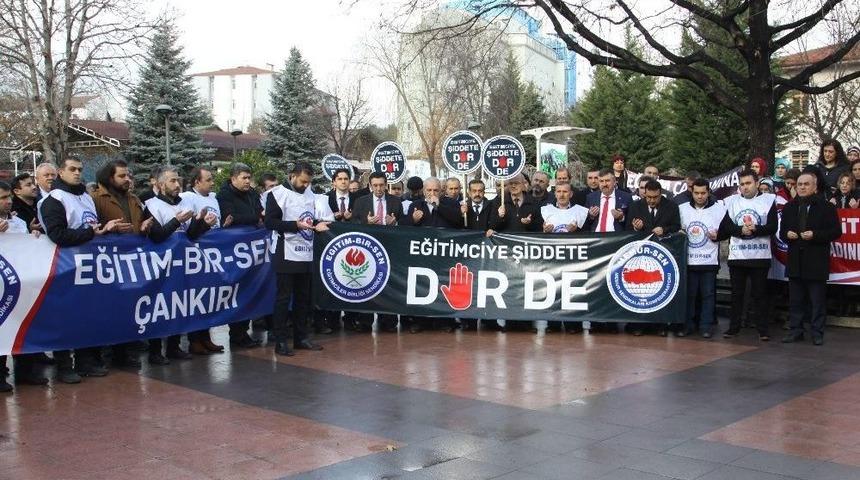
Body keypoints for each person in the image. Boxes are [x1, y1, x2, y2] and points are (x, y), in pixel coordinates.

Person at [40, 157, 126, 383]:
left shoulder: (87, 198)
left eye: (80, 169)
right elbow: (57, 234)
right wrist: (92, 234)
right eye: (72, 169)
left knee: (88, 315)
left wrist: (106, 230)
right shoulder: (54, 199)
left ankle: (86, 360)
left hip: (89, 267)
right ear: (61, 172)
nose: (77, 173)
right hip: (63, 268)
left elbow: (93, 227)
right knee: (65, 319)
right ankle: (64, 365)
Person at [143, 166, 217, 364]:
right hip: (162, 266)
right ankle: (155, 350)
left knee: (179, 306)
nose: (177, 185)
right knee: (160, 308)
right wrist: (176, 221)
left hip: (183, 265)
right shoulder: (151, 205)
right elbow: (157, 236)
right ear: (160, 184)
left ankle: (174, 346)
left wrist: (203, 224)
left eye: (178, 180)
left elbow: (191, 234)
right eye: (172, 181)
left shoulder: (184, 203)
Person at [265, 162, 328, 356]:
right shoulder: (277, 194)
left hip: (306, 251)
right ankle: (281, 341)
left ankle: (301, 337)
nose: (305, 186)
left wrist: (318, 224)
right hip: (286, 251)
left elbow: (310, 218)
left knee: (303, 298)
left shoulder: (310, 194)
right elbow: (270, 222)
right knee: (283, 298)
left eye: (308, 182)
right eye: (302, 181)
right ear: (292, 175)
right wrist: (295, 225)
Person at [91, 160, 149, 368]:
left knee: (128, 307)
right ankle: (110, 353)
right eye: (122, 176)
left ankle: (125, 352)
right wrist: (110, 230)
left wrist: (144, 227)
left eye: (129, 176)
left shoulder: (134, 199)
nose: (128, 180)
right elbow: (94, 228)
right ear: (110, 178)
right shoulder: (96, 198)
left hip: (131, 261)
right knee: (110, 309)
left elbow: (141, 223)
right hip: (109, 262)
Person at [780, 172, 842, 346]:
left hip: (816, 261)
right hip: (795, 261)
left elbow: (836, 232)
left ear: (815, 187)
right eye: (799, 184)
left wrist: (815, 235)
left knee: (817, 301)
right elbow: (782, 232)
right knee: (795, 300)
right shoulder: (789, 207)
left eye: (806, 184)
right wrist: (787, 234)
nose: (802, 187)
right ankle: (796, 330)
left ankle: (817, 332)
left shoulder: (826, 207)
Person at [0, 181, 48, 392]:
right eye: (2, 198)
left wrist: (32, 236)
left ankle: (26, 371)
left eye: (9, 197)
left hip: (21, 284)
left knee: (24, 326)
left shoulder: (18, 222)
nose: (8, 201)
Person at [718, 168, 777, 341]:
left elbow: (773, 226)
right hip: (738, 257)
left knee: (760, 294)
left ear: (757, 183)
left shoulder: (768, 200)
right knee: (737, 294)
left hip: (760, 256)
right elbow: (725, 228)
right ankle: (733, 327)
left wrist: (756, 229)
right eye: (742, 184)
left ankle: (763, 329)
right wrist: (740, 230)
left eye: (748, 183)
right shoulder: (732, 202)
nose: (745, 187)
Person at [179, 166, 229, 355]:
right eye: (208, 179)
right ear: (196, 182)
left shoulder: (213, 198)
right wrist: (201, 224)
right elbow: (188, 228)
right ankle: (194, 339)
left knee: (208, 299)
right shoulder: (188, 198)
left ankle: (206, 337)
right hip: (195, 256)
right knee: (195, 299)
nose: (212, 182)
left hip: (212, 256)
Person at [626, 179, 681, 336]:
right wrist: (636, 227)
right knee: (640, 290)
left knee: (659, 289)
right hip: (640, 255)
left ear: (660, 194)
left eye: (655, 197)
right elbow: (627, 229)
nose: (651, 200)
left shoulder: (671, 206)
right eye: (648, 197)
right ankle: (638, 324)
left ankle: (660, 325)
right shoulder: (636, 206)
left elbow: (676, 226)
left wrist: (664, 229)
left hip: (662, 255)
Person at [217, 163, 264, 349]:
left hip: (252, 249)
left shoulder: (252, 193)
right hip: (235, 250)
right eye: (244, 178)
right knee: (237, 291)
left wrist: (258, 217)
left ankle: (243, 331)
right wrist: (255, 219)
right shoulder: (224, 195)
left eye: (249, 177)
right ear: (233, 178)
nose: (248, 181)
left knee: (249, 290)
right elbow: (231, 217)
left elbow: (260, 211)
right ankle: (236, 334)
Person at [351, 172, 405, 332]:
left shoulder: (395, 201)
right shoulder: (361, 202)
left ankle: (388, 321)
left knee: (389, 285)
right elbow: (353, 222)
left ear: (386, 185)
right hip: (367, 250)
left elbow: (404, 223)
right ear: (370, 186)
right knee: (366, 283)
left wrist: (395, 222)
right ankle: (365, 321)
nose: (379, 188)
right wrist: (365, 222)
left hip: (389, 249)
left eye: (381, 185)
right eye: (375, 185)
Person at [679, 179, 726, 338]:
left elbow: (727, 231)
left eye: (703, 193)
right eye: (696, 193)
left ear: (709, 192)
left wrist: (719, 235)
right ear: (691, 192)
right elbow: (675, 229)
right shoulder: (682, 209)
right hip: (689, 260)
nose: (700, 196)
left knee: (708, 294)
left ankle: (705, 326)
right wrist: (680, 233)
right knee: (689, 294)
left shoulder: (719, 209)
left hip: (709, 260)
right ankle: (688, 325)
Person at [541, 182, 589, 334]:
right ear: (554, 193)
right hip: (552, 257)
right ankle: (553, 324)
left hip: (572, 257)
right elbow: (536, 231)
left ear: (571, 194)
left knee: (572, 290)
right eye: (559, 191)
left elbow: (588, 234)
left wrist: (577, 230)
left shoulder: (580, 211)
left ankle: (573, 324)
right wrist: (544, 230)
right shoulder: (545, 210)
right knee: (552, 289)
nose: (561, 195)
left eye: (565, 192)